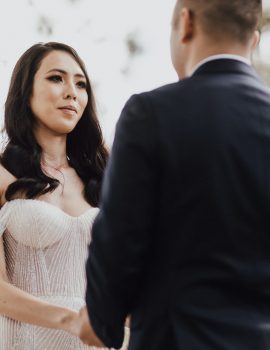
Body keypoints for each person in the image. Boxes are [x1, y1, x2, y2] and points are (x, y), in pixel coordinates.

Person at [79, 0, 270, 349]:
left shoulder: (151, 113)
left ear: (186, 24)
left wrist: (101, 318)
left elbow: (120, 238)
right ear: (253, 40)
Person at [0, 42, 117, 349]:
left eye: (80, 84)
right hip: (22, 341)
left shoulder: (103, 177)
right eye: (56, 78)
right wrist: (71, 319)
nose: (72, 92)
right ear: (26, 91)